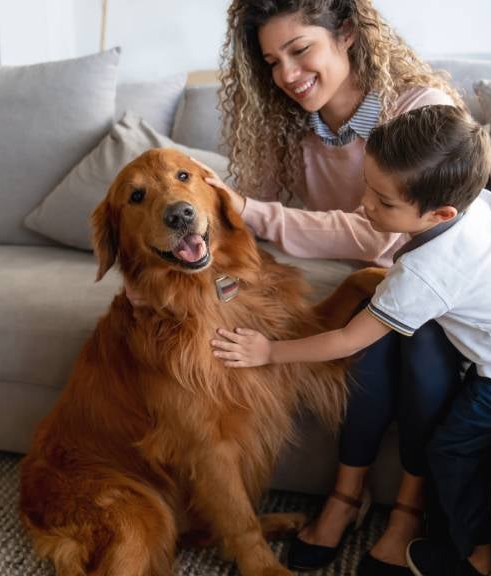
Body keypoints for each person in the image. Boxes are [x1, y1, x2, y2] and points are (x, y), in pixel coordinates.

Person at [211, 104, 491, 576]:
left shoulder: (423, 276)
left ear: (441, 212)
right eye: (367, 186)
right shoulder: (486, 206)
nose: (366, 206)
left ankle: (475, 552)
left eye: (384, 202)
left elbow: (348, 340)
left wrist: (269, 351)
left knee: (451, 448)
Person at [189, 1, 469, 574]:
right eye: (272, 61)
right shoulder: (289, 126)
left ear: (346, 34)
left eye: (299, 50)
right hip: (377, 287)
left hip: (442, 289)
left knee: (414, 344)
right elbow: (245, 221)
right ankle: (347, 494)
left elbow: (380, 237)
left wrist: (254, 211)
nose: (287, 75)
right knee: (363, 335)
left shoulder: (419, 111)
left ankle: (405, 514)